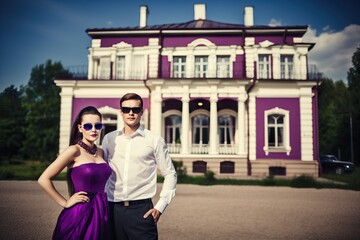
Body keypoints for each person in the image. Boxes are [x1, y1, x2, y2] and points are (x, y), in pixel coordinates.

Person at [102, 93, 177, 240]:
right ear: (121, 112)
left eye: (135, 110)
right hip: (112, 210)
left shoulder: (154, 140)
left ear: (141, 112)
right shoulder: (109, 139)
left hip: (141, 211)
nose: (131, 113)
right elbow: (102, 171)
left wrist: (160, 207)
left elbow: (170, 174)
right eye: (126, 109)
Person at [38, 106, 112, 240]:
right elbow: (43, 179)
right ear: (80, 128)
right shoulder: (73, 151)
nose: (94, 129)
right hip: (80, 213)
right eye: (88, 126)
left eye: (98, 125)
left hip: (102, 212)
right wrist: (65, 202)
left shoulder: (100, 152)